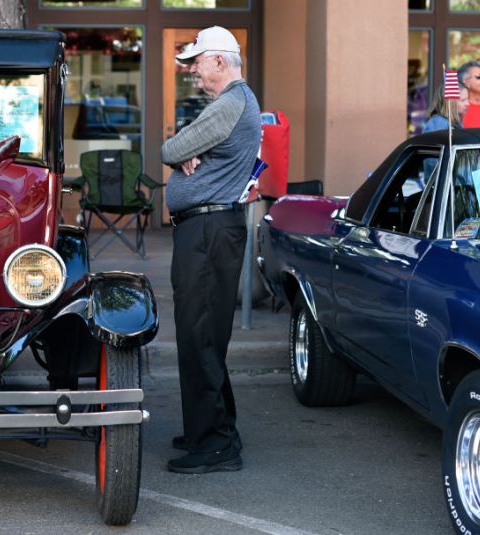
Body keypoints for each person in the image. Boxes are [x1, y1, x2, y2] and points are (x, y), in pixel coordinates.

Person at [160, 26, 260, 474]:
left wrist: (182, 152)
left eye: (198, 61)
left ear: (220, 61)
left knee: (200, 336)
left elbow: (170, 146)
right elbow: (183, 149)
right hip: (209, 229)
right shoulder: (232, 103)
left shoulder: (231, 103)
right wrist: (185, 153)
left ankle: (215, 444)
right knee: (205, 336)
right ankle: (212, 429)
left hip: (208, 230)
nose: (194, 70)